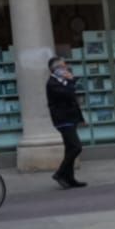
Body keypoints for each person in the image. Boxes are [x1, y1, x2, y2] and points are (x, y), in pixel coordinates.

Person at [45, 57, 88, 189]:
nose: (66, 69)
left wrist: (81, 119)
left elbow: (73, 101)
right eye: (63, 67)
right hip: (63, 120)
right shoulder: (52, 83)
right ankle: (59, 174)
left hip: (71, 118)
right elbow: (68, 94)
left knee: (70, 148)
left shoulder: (62, 81)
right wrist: (71, 80)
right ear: (56, 69)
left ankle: (70, 178)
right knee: (76, 147)